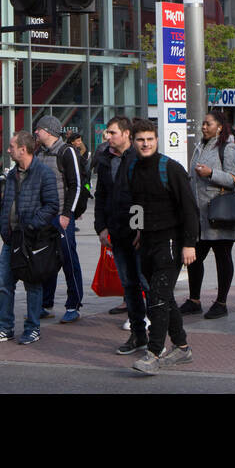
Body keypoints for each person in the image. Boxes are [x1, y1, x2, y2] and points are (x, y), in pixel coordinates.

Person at [126, 118, 199, 376]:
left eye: (150, 139)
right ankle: (182, 347)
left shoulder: (171, 168)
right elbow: (136, 203)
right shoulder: (133, 168)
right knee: (164, 296)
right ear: (133, 142)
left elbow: (190, 208)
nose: (145, 144)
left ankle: (154, 352)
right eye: (140, 140)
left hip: (171, 241)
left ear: (157, 140)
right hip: (147, 241)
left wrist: (189, 244)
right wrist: (137, 230)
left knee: (156, 297)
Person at [0, 131, 59, 345]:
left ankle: (32, 328)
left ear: (23, 149)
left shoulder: (44, 173)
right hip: (11, 239)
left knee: (33, 284)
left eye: (12, 146)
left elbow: (52, 206)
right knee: (4, 282)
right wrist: (4, 227)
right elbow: (6, 204)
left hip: (32, 239)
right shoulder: (11, 175)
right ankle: (5, 327)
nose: (9, 150)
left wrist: (32, 225)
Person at [92, 116, 148, 353]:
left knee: (147, 282)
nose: (108, 137)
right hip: (116, 231)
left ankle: (158, 336)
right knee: (129, 285)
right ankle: (137, 335)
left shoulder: (139, 159)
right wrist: (101, 227)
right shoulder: (105, 158)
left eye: (112, 132)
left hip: (137, 234)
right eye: (107, 133)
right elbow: (101, 195)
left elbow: (143, 196)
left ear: (126, 134)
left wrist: (139, 228)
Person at [182, 109, 235, 320]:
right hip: (199, 215)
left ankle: (221, 302)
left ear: (219, 126)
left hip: (220, 214)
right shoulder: (200, 146)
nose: (204, 127)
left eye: (208, 124)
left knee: (222, 257)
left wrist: (211, 174)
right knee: (194, 257)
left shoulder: (228, 148)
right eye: (203, 124)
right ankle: (194, 300)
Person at [34, 115, 85, 323]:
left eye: (38, 129)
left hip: (61, 217)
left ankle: (73, 304)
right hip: (44, 217)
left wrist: (67, 214)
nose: (36, 132)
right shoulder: (39, 153)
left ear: (47, 131)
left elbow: (76, 185)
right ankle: (46, 303)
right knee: (46, 260)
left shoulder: (66, 152)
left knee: (68, 259)